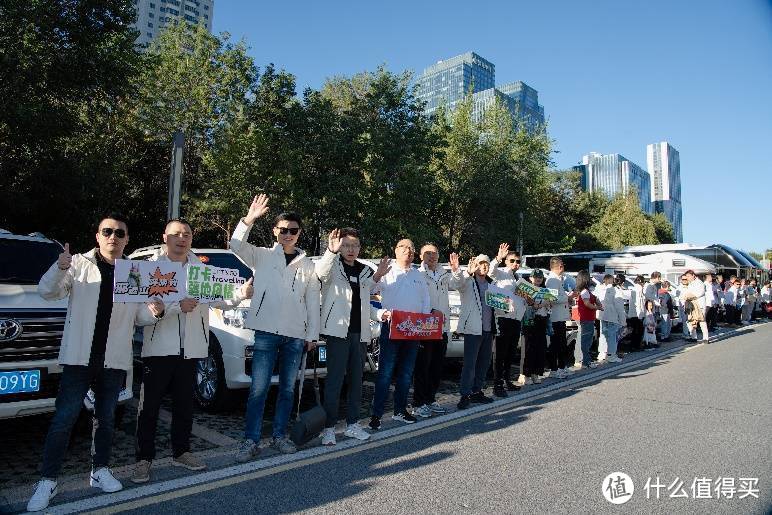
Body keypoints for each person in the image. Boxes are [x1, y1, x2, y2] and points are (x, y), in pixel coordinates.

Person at [28, 214, 163, 512]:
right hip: (79, 357)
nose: (113, 237)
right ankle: (48, 480)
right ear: (98, 236)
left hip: (113, 358)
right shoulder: (77, 264)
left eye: (119, 233)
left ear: (127, 239)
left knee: (106, 418)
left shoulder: (134, 272)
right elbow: (47, 292)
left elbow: (139, 317)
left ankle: (99, 470)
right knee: (64, 419)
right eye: (107, 231)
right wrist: (59, 267)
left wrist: (155, 310)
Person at [132, 219, 254, 483]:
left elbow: (221, 300)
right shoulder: (150, 270)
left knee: (184, 406)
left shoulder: (201, 270)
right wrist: (168, 308)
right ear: (165, 237)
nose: (182, 238)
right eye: (176, 234)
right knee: (149, 408)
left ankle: (182, 452)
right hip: (158, 350)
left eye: (186, 234)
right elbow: (139, 317)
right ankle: (143, 459)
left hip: (192, 350)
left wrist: (241, 293)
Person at [231, 194, 321, 462]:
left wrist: (312, 335)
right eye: (283, 230)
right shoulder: (261, 256)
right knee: (258, 389)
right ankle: (251, 440)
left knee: (287, 390)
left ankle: (280, 435)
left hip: (295, 335)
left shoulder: (307, 265)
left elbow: (312, 301)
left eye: (293, 231)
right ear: (275, 231)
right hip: (266, 333)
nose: (288, 235)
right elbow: (235, 244)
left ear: (299, 233)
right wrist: (249, 219)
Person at [316, 228, 389, 445]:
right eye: (346, 245)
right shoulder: (332, 265)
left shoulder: (365, 270)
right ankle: (328, 428)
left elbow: (365, 300)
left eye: (354, 245)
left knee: (357, 380)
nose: (350, 250)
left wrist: (377, 278)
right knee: (334, 381)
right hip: (337, 332)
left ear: (359, 248)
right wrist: (330, 250)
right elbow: (320, 274)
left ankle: (353, 424)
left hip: (360, 333)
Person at [369, 239, 433, 429]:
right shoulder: (387, 271)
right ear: (395, 250)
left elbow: (426, 300)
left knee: (406, 374)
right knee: (385, 373)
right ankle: (376, 415)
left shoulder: (418, 275)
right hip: (391, 328)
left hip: (413, 329)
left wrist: (424, 322)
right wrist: (377, 275)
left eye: (411, 248)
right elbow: (369, 291)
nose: (408, 251)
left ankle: (400, 411)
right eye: (404, 247)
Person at [450, 253, 496, 409]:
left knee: (484, 363)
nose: (484, 266)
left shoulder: (492, 283)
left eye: (486, 264)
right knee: (469, 364)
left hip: (489, 328)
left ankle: (477, 391)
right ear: (475, 265)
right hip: (473, 328)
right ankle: (465, 394)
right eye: (481, 263)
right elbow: (456, 284)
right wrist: (467, 272)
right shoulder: (468, 281)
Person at [413, 243, 452, 416]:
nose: (432, 256)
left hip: (442, 327)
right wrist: (430, 312)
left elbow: (459, 283)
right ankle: (419, 402)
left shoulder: (445, 273)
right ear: (421, 256)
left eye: (435, 253)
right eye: (427, 253)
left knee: (437, 366)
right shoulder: (418, 274)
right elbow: (416, 301)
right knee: (423, 366)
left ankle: (430, 398)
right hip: (425, 327)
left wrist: (457, 270)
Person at [489, 243, 526, 393]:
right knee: (500, 353)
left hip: (516, 319)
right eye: (512, 261)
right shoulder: (501, 273)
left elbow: (520, 300)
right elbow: (490, 271)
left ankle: (506, 380)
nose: (515, 264)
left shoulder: (519, 278)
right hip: (503, 318)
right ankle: (497, 384)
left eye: (518, 261)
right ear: (506, 261)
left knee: (511, 353)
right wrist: (498, 257)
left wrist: (527, 300)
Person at [521, 270, 552, 383]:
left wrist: (549, 303)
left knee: (541, 347)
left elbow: (550, 306)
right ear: (530, 278)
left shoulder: (545, 290)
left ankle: (536, 373)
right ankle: (526, 375)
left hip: (542, 320)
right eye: (535, 277)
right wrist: (540, 304)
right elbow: (528, 305)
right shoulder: (527, 289)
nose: (538, 279)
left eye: (540, 277)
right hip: (530, 320)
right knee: (529, 348)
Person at [545, 257, 572, 378]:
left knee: (561, 343)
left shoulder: (557, 279)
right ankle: (554, 369)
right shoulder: (552, 280)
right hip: (555, 317)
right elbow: (553, 298)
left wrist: (567, 297)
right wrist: (568, 298)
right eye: (563, 265)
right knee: (556, 344)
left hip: (560, 316)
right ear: (560, 266)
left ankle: (562, 367)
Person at [575, 270, 602, 369]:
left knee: (585, 339)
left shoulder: (583, 291)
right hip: (587, 318)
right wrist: (597, 307)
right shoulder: (585, 292)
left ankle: (583, 360)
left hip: (586, 318)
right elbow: (587, 304)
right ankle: (586, 361)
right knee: (587, 340)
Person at [597, 274, 624, 362]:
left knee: (603, 335)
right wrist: (623, 321)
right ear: (612, 281)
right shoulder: (615, 290)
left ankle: (602, 354)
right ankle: (611, 355)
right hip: (612, 316)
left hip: (602, 316)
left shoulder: (599, 289)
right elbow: (619, 307)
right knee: (612, 336)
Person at [682, 270, 709, 342]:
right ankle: (693, 337)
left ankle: (706, 338)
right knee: (691, 320)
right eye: (686, 276)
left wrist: (691, 296)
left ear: (693, 275)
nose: (687, 278)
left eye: (688, 276)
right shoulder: (690, 284)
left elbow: (700, 292)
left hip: (700, 304)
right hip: (692, 305)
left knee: (702, 320)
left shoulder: (700, 283)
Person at [626, 275, 645, 351]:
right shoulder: (639, 288)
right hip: (637, 313)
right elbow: (638, 302)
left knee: (634, 330)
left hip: (633, 313)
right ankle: (636, 346)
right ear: (641, 281)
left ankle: (633, 346)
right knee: (638, 331)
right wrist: (640, 315)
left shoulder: (634, 288)